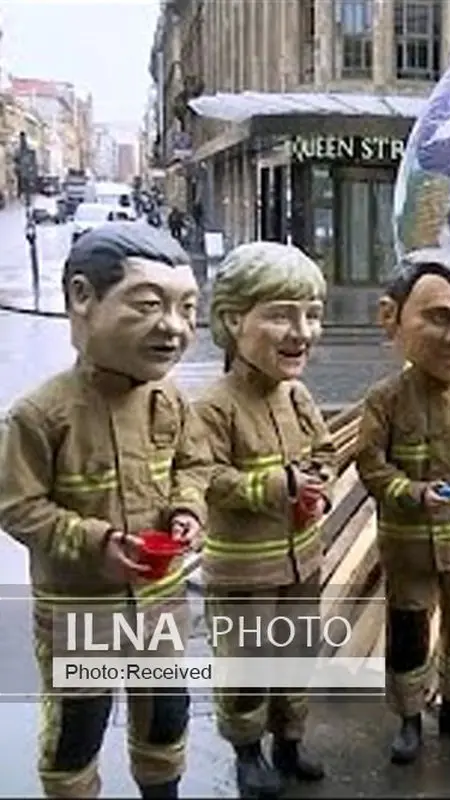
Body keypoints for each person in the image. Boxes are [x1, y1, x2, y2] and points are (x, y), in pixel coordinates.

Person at [0, 224, 210, 799]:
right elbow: (18, 507)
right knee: (79, 730)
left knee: (167, 715)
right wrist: (96, 541)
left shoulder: (169, 400)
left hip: (160, 605)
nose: (174, 328)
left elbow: (194, 466)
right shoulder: (41, 414)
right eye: (148, 306)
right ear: (82, 298)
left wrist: (188, 510)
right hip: (80, 614)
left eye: (187, 308)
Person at [355, 248, 450, 765]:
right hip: (409, 547)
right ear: (391, 319)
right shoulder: (385, 399)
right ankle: (408, 715)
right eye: (440, 317)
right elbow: (371, 466)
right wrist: (410, 492)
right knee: (409, 630)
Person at [193, 242, 335, 798]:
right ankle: (248, 751)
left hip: (303, 557)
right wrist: (281, 485)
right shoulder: (214, 406)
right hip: (243, 571)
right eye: (280, 315)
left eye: (312, 314)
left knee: (298, 652)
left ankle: (290, 743)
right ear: (232, 320)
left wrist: (318, 475)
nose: (302, 331)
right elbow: (208, 480)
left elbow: (324, 448)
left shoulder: (297, 396)